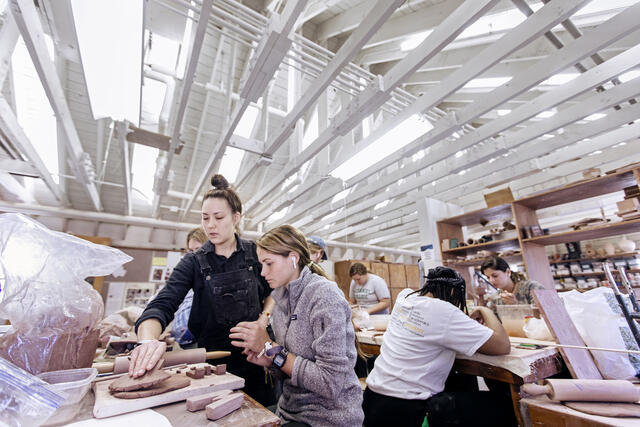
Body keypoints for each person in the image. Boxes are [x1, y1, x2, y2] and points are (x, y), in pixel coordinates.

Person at [130, 174, 275, 405]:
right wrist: (147, 343)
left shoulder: (255, 253)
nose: (210, 225)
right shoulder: (193, 262)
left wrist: (263, 321)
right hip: (213, 363)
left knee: (263, 412)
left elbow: (273, 292)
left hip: (258, 357)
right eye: (205, 218)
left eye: (218, 217)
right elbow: (162, 304)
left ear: (236, 217)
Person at [229, 225, 364, 427]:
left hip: (327, 417)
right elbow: (289, 365)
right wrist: (268, 361)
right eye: (261, 265)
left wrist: (271, 350)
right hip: (291, 410)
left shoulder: (323, 296)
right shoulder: (282, 299)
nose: (263, 272)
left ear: (293, 258)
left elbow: (330, 382)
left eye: (269, 264)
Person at [362, 266, 512, 427]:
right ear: (454, 293)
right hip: (408, 410)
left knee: (460, 383)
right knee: (504, 405)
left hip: (372, 401)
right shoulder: (445, 310)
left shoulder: (404, 296)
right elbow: (502, 345)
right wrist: (484, 310)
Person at [170, 227, 208, 348]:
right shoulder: (188, 275)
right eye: (190, 251)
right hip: (182, 341)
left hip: (202, 341)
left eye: (198, 249)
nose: (194, 255)